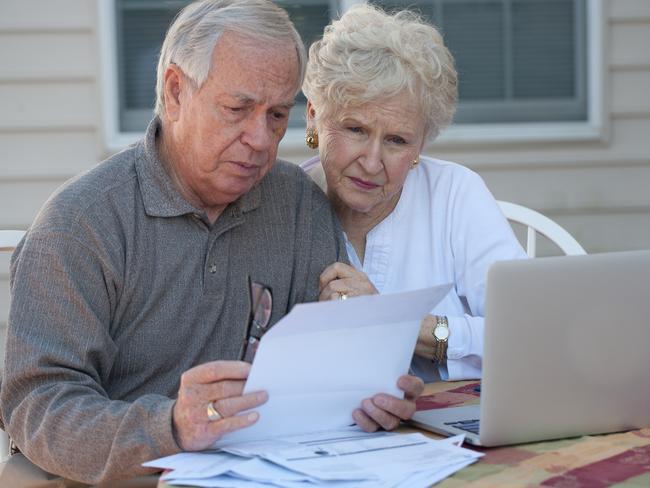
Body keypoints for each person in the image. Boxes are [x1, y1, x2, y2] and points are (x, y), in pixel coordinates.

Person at [0, 1, 423, 484]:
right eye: (237, 109)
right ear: (176, 91)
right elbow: (38, 406)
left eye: (277, 114)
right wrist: (172, 427)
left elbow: (318, 376)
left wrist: (365, 393)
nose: (261, 138)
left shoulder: (299, 206)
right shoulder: (80, 224)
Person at [301, 4, 527, 387]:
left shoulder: (456, 194)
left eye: (397, 140)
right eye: (355, 129)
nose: (372, 162)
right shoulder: (285, 207)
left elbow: (528, 330)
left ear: (421, 143)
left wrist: (397, 323)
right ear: (313, 118)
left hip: (459, 423)